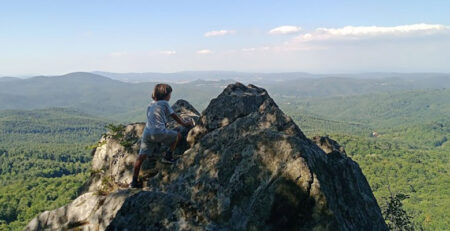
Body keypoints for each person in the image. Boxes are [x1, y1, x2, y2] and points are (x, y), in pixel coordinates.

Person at [130, 83, 192, 188]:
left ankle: (134, 181)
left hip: (147, 133)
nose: (170, 96)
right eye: (170, 94)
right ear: (166, 95)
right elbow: (174, 116)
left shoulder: (150, 104)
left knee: (140, 158)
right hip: (158, 132)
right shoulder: (165, 103)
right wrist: (185, 123)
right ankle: (168, 156)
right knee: (178, 136)